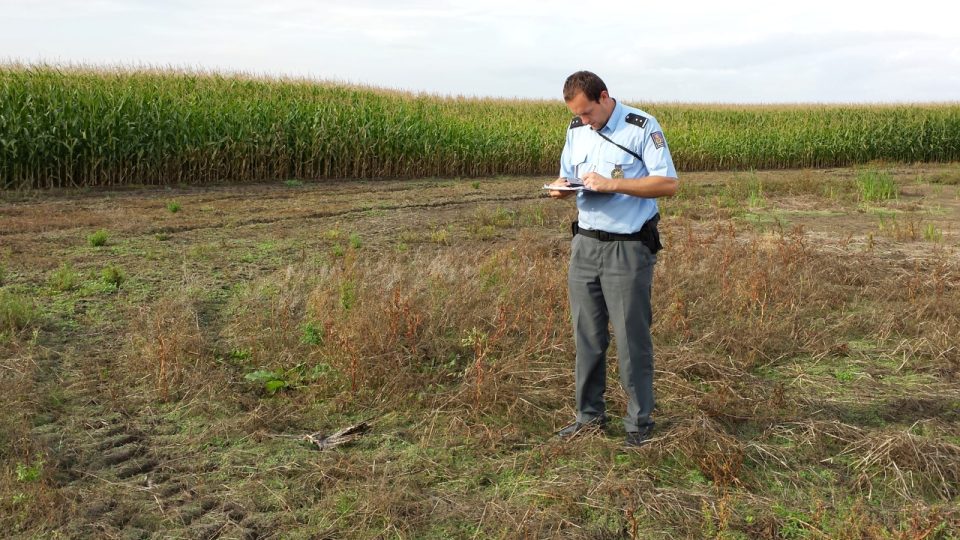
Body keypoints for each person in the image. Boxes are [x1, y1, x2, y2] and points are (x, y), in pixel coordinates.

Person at [547, 70, 678, 447]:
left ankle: (638, 425)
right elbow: (567, 175)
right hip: (585, 245)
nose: (584, 121)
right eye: (578, 115)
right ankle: (588, 418)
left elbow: (667, 183)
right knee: (586, 336)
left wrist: (613, 184)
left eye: (588, 113)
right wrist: (561, 188)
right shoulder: (576, 130)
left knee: (630, 337)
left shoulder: (641, 126)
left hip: (628, 248)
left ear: (605, 97)